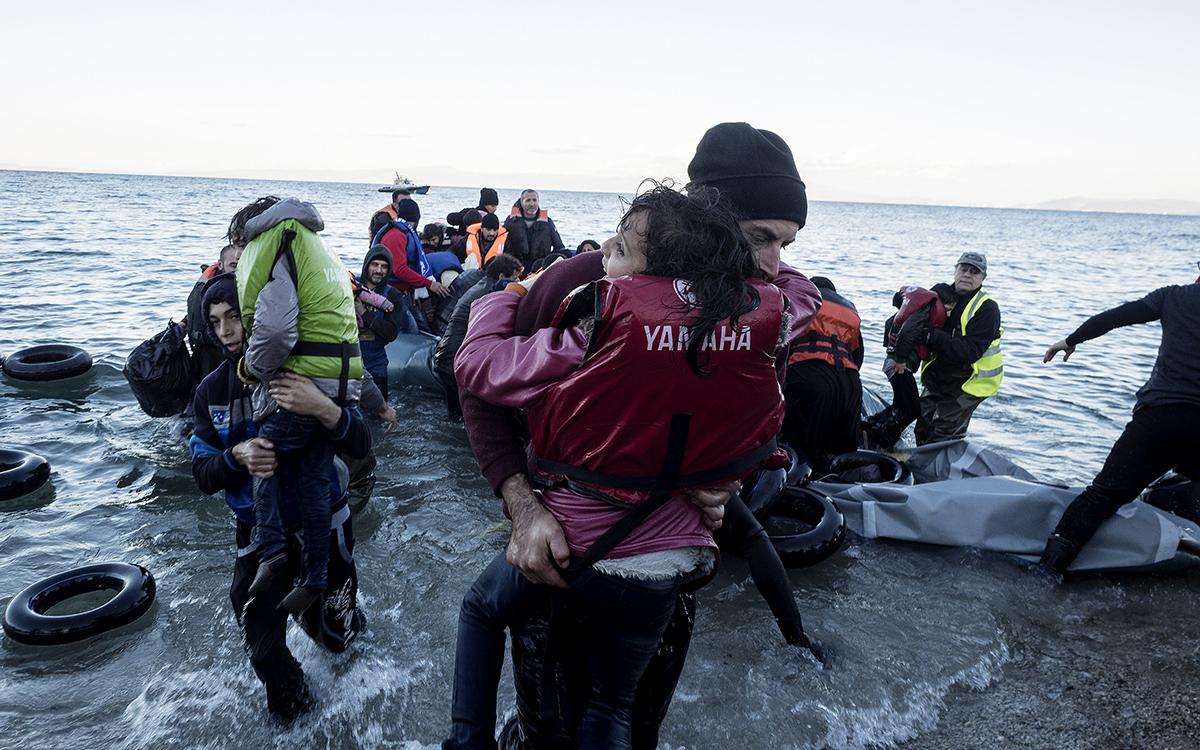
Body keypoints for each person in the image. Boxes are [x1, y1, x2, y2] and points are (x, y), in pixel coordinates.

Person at [456, 123, 823, 747]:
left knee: (640, 720)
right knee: (553, 727)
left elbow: (759, 405)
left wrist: (730, 477)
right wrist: (520, 506)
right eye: (761, 238)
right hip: (556, 545)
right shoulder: (579, 284)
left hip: (665, 556)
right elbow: (478, 391)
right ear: (707, 219)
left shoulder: (761, 303)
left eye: (786, 245)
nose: (773, 263)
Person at [188, 272, 368, 719]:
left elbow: (361, 443)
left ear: (255, 316)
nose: (226, 331)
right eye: (215, 322)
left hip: (324, 528)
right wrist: (237, 455)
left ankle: (352, 648)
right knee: (262, 648)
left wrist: (323, 408)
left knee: (337, 639)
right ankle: (298, 719)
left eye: (234, 317)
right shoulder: (210, 392)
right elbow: (203, 476)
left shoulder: (306, 369)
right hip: (256, 538)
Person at [233, 196, 364, 616]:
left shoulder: (276, 249)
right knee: (314, 482)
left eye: (239, 245)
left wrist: (252, 367)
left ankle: (271, 551)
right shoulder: (315, 247)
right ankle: (313, 579)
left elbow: (274, 332)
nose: (239, 256)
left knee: (264, 456)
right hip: (338, 381)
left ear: (251, 234)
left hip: (303, 387)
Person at [1038, 277, 1200, 572]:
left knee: (1100, 498)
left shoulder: (1174, 296)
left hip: (1160, 418)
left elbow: (1113, 318)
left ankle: (1045, 575)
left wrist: (1071, 341)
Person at [914, 251, 1003, 445]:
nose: (967, 275)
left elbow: (970, 352)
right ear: (955, 271)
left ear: (983, 278)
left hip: (971, 379)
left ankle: (944, 460)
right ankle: (919, 459)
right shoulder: (938, 294)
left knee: (944, 430)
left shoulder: (987, 308)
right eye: (963, 269)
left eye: (974, 272)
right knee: (922, 426)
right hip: (938, 374)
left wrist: (932, 336)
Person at [782, 276, 863, 466]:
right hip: (851, 385)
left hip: (810, 378)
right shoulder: (850, 310)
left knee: (799, 451)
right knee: (843, 458)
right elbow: (858, 358)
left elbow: (779, 348)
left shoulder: (801, 301)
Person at [863, 283, 956, 449]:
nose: (948, 314)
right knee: (913, 410)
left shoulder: (917, 309)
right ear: (939, 302)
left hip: (895, 362)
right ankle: (880, 440)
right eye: (948, 309)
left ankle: (866, 427)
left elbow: (890, 323)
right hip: (899, 366)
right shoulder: (927, 309)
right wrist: (900, 358)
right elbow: (906, 331)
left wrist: (891, 351)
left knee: (900, 407)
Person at [432, 254, 523, 418]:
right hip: (452, 363)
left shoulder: (480, 285)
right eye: (514, 277)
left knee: (458, 415)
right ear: (502, 276)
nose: (517, 281)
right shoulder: (489, 294)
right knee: (463, 417)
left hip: (447, 357)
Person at [374, 198, 453, 301]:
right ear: (417, 220)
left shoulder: (402, 232)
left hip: (406, 291)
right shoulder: (397, 236)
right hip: (391, 294)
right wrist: (430, 284)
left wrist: (413, 290)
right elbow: (399, 270)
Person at [356, 245, 407, 401]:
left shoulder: (393, 295)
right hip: (350, 355)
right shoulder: (351, 286)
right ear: (366, 265)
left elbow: (391, 333)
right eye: (375, 264)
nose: (379, 270)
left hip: (376, 360)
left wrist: (363, 313)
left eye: (384, 266)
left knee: (380, 410)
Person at [501, 189, 565, 270]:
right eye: (528, 200)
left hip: (540, 270)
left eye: (534, 200)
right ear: (521, 202)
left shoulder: (548, 223)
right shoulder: (511, 221)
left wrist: (548, 263)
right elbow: (501, 245)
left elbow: (559, 247)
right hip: (515, 270)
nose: (532, 204)